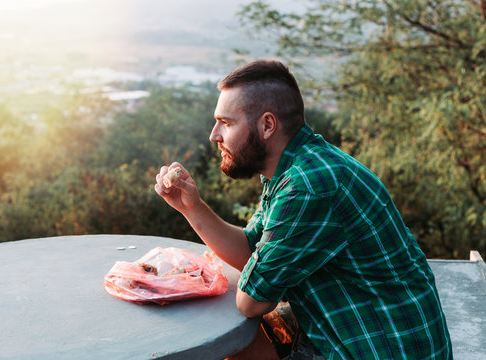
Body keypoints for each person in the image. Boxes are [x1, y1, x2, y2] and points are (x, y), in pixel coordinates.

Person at [154, 59, 452, 359]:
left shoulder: (308, 186)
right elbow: (249, 249)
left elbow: (251, 301)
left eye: (226, 123)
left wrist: (257, 272)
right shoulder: (294, 167)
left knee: (228, 339)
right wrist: (191, 207)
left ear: (267, 125)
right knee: (241, 341)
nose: (214, 135)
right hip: (346, 324)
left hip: (380, 346)